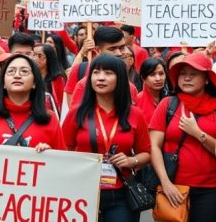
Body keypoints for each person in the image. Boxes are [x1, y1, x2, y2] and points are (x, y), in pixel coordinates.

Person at [61, 54, 150, 222]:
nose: (100, 78)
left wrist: (131, 161)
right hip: (82, 192)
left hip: (121, 192)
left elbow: (146, 153)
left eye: (108, 73)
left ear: (120, 79)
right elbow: (64, 149)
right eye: (96, 72)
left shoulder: (135, 114)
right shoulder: (77, 112)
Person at [149, 53, 216, 222]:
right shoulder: (168, 104)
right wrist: (165, 183)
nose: (187, 78)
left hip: (210, 189)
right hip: (173, 187)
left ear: (206, 79)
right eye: (182, 74)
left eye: (193, 74)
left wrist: (198, 134)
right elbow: (153, 146)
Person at [0, 54, 66, 151]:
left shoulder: (50, 119)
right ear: (4, 83)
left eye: (24, 71)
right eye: (11, 71)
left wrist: (50, 155)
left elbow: (61, 163)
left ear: (34, 82)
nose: (17, 75)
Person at [66, 26, 139, 109]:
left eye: (122, 47)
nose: (119, 53)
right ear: (98, 50)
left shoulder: (131, 88)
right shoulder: (80, 75)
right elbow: (73, 113)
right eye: (112, 49)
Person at [33, 44, 66, 113]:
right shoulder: (30, 76)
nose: (34, 58)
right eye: (33, 55)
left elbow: (61, 103)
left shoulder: (58, 78)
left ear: (49, 58)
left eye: (39, 56)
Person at [135, 58, 168, 124]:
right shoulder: (137, 101)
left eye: (161, 74)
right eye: (152, 75)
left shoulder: (171, 99)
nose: (158, 79)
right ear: (143, 78)